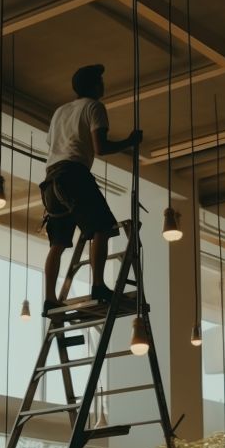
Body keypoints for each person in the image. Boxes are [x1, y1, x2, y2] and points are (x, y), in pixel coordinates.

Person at [40, 64, 141, 315]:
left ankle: (50, 298)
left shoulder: (60, 111)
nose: (103, 85)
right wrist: (130, 141)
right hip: (73, 174)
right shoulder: (94, 107)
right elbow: (100, 147)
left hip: (50, 180)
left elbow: (52, 143)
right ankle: (98, 285)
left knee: (58, 243)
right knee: (102, 227)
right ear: (95, 85)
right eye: (100, 81)